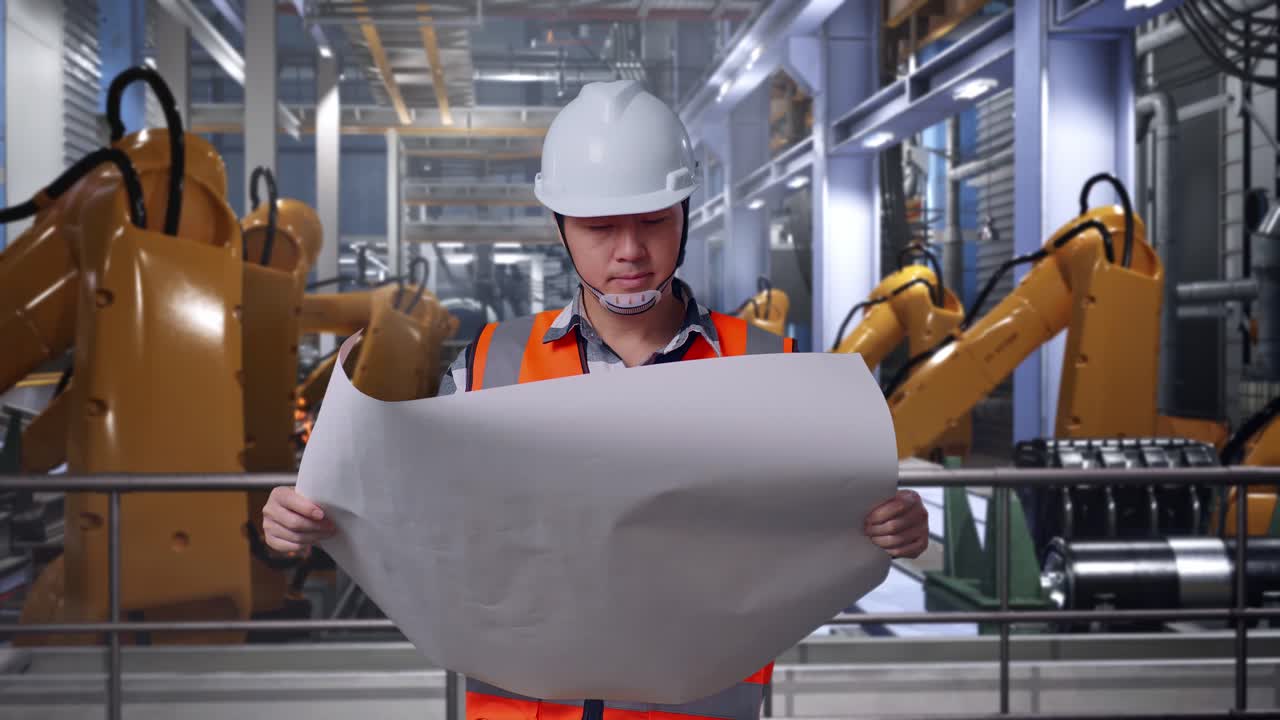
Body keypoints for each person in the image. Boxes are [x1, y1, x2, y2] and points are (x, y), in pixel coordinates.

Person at [263, 80, 929, 720]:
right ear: (561, 227)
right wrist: (312, 523)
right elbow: (421, 521)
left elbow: (821, 526)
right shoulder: (488, 367)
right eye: (600, 227)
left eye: (652, 221)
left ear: (685, 215)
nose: (630, 251)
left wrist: (886, 529)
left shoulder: (767, 369)